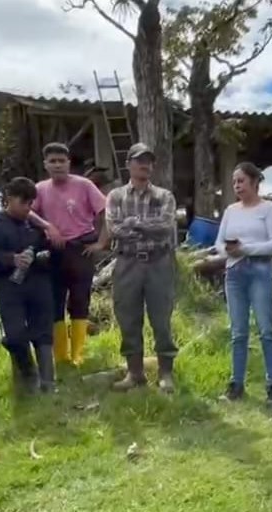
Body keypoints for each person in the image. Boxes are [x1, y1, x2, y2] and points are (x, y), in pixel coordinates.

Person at [100, 143, 178, 392]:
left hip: (158, 262)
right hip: (127, 262)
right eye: (138, 160)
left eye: (148, 161)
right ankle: (135, 373)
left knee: (161, 319)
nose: (144, 164)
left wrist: (133, 224)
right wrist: (144, 226)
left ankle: (166, 374)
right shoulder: (116, 196)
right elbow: (114, 230)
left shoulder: (164, 196)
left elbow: (165, 226)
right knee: (128, 318)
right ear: (128, 165)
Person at [0, 177, 55, 393]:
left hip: (38, 281)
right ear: (9, 199)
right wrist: (10, 259)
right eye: (23, 202)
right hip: (8, 284)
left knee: (43, 331)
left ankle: (48, 382)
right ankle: (29, 375)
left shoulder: (35, 225)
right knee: (15, 334)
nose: (28, 208)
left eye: (31, 203)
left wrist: (41, 256)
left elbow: (48, 250)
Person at [30, 143, 106, 366]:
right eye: (52, 161)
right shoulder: (40, 189)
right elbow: (29, 213)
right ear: (46, 165)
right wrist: (47, 226)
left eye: (61, 161)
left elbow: (105, 211)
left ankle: (78, 354)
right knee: (55, 301)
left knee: (80, 300)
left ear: (68, 163)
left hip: (81, 247)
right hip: (54, 250)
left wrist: (102, 242)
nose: (57, 165)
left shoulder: (84, 185)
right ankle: (61, 355)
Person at [215, 162, 272, 406]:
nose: (237, 186)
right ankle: (237, 384)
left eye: (241, 181)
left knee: (266, 330)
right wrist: (229, 251)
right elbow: (218, 244)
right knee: (238, 332)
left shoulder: (268, 210)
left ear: (255, 182)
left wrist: (245, 249)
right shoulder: (231, 211)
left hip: (260, 271)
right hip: (234, 273)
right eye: (234, 182)